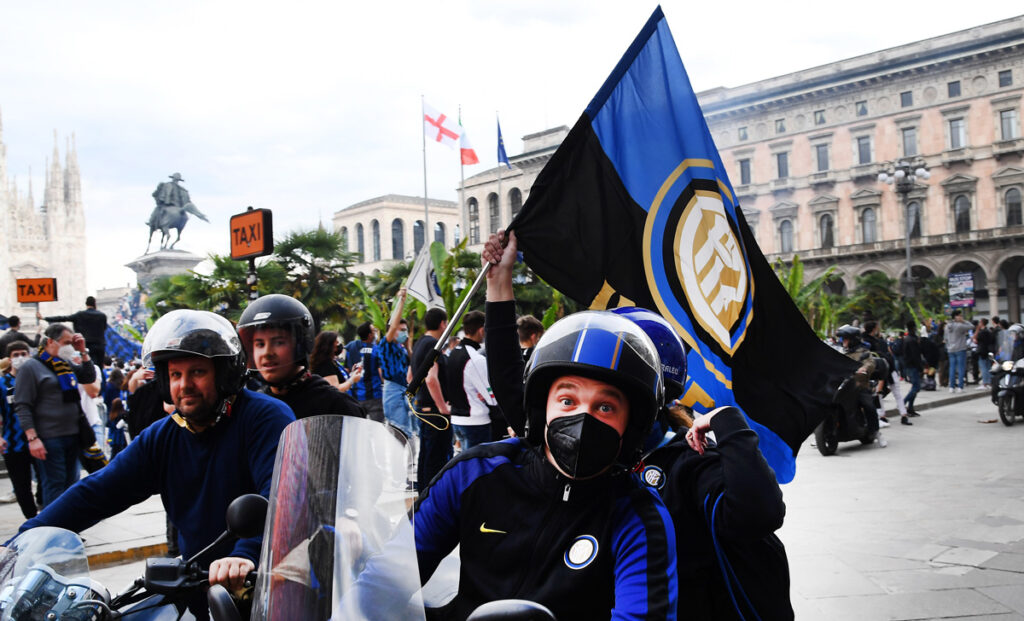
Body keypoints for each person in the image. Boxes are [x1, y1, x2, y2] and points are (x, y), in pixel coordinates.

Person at [416, 231, 678, 619]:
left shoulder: (637, 519)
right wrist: (498, 283)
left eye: (605, 407)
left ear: (631, 426)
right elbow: (389, 573)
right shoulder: (474, 474)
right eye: (568, 401)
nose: (583, 419)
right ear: (542, 409)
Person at [19, 310, 295, 603]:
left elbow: (283, 497)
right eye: (175, 375)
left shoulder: (264, 417)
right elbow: (97, 491)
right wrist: (23, 540)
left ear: (225, 374)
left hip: (271, 586)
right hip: (202, 589)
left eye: (197, 372)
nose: (184, 385)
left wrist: (246, 554)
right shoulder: (163, 436)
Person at [613, 307, 793, 620]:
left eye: (609, 398)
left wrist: (728, 422)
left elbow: (759, 513)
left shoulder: (689, 459)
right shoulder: (594, 465)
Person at [236, 294, 364, 420]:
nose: (267, 353)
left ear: (301, 345)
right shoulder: (253, 407)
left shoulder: (334, 404)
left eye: (279, 342)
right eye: (260, 344)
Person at [12, 323, 96, 505]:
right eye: (66, 343)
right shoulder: (31, 367)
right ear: (50, 341)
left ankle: (69, 521)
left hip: (73, 434)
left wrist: (83, 351)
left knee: (71, 483)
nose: (69, 347)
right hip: (49, 437)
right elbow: (23, 405)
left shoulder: (65, 364)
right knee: (55, 484)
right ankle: (54, 522)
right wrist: (32, 438)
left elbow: (88, 377)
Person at [410, 307, 451, 491]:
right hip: (435, 411)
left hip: (423, 407)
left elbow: (410, 377)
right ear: (442, 323)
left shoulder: (419, 343)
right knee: (436, 458)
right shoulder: (433, 344)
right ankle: (433, 498)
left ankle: (424, 496)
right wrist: (442, 407)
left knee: (426, 456)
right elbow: (431, 378)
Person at [446, 310, 500, 450]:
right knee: (477, 464)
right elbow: (492, 399)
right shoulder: (475, 359)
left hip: (457, 420)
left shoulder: (453, 353)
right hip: (475, 422)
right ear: (481, 330)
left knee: (465, 462)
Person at [1, 341, 41, 519]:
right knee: (21, 485)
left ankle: (44, 509)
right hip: (13, 442)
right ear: (9, 359)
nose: (20, 358)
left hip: (40, 439)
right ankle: (32, 520)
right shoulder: (2, 383)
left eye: (23, 354)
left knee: (46, 480)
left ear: (29, 355)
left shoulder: (37, 378)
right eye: (15, 355)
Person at [379, 288, 414, 438]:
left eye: (405, 330)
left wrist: (408, 347)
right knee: (399, 430)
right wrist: (402, 301)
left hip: (404, 388)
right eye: (401, 330)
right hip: (393, 389)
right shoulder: (385, 345)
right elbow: (393, 326)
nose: (404, 333)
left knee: (409, 431)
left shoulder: (402, 348)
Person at [39, 297, 108, 371]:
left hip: (85, 345)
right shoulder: (102, 316)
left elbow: (63, 318)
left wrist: (44, 318)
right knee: (99, 368)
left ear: (86, 304)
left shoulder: (80, 315)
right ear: (95, 304)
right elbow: (104, 328)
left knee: (87, 366)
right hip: (100, 345)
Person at [345, 322, 384, 422]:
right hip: (374, 396)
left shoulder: (351, 346)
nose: (375, 333)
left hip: (355, 396)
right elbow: (381, 374)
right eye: (374, 331)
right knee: (377, 427)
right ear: (370, 335)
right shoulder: (376, 350)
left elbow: (347, 370)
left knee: (358, 428)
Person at [901, 322, 926, 417]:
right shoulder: (911, 340)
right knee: (916, 387)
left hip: (909, 365)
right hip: (913, 366)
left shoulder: (908, 339)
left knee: (914, 388)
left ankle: (910, 408)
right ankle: (902, 404)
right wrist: (920, 368)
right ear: (913, 328)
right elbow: (916, 356)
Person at [945, 309, 971, 393]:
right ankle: (960, 387)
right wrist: (963, 321)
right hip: (960, 348)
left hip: (950, 349)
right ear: (956, 316)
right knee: (961, 368)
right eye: (960, 315)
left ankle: (951, 387)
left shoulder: (947, 326)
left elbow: (945, 338)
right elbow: (971, 326)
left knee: (952, 368)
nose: (961, 317)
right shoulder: (960, 326)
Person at [975, 317, 995, 389]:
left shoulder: (981, 332)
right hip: (988, 350)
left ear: (981, 323)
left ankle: (985, 383)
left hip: (982, 350)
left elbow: (975, 340)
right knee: (988, 367)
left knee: (983, 367)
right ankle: (990, 382)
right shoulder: (989, 331)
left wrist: (977, 330)